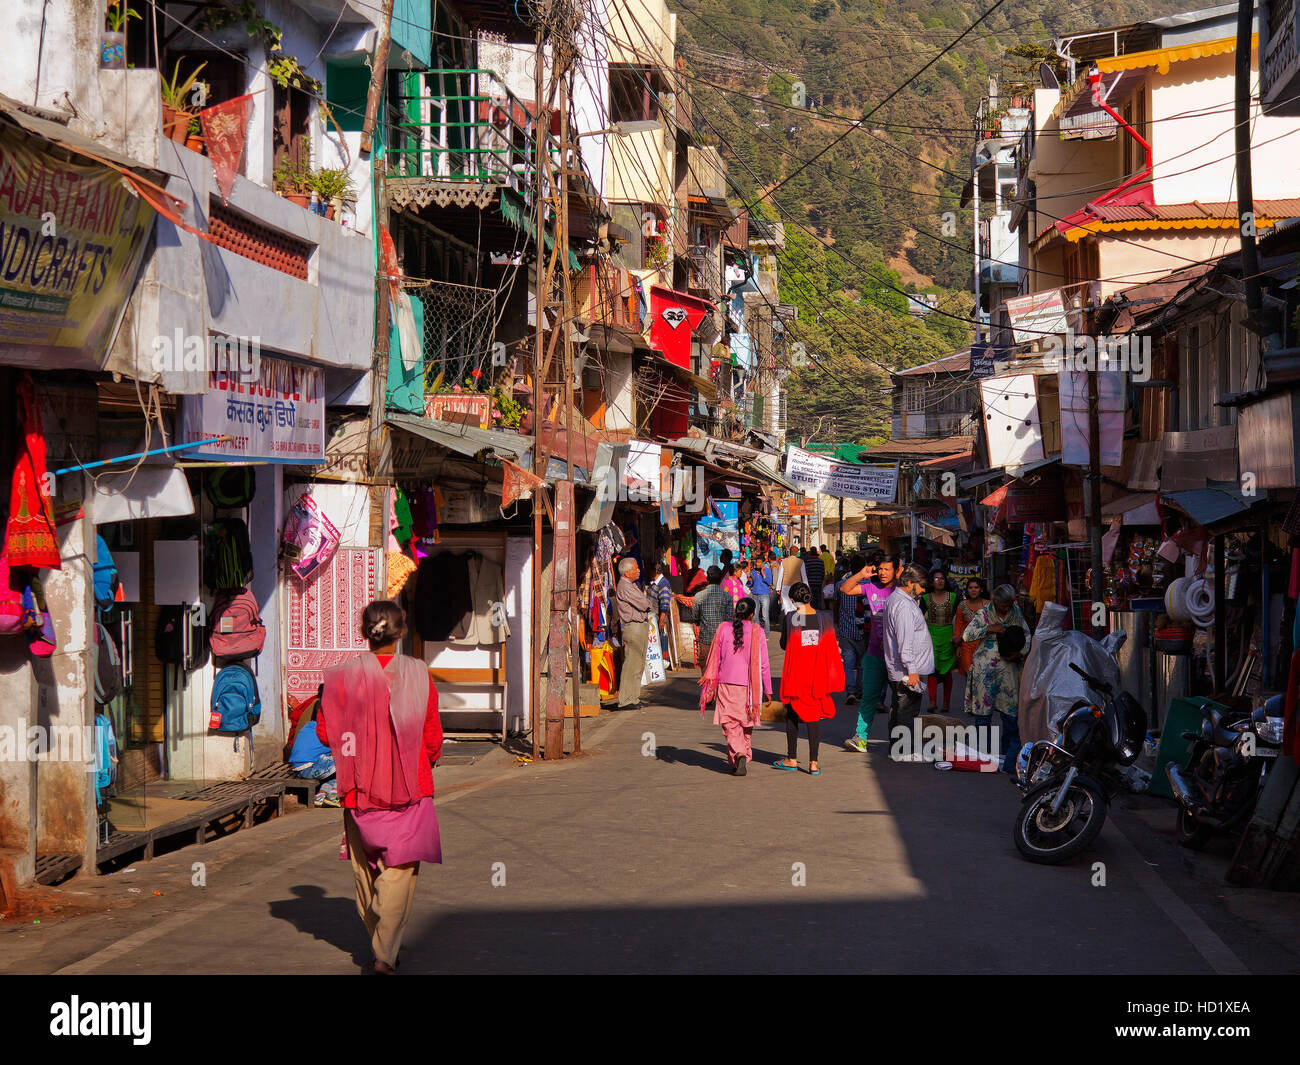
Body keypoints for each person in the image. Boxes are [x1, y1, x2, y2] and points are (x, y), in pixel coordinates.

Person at [316, 601, 443, 975]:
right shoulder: (419, 674)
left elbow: (327, 733)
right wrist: (421, 759)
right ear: (401, 632)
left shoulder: (341, 678)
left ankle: (381, 937)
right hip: (410, 788)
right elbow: (432, 735)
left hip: (359, 791)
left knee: (364, 872)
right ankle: (385, 952)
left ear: (363, 631)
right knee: (399, 874)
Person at [773, 583, 843, 774]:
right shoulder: (824, 618)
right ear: (809, 597)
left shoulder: (791, 618)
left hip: (797, 675)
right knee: (813, 717)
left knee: (792, 714)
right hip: (817, 674)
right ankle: (813, 763)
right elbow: (829, 647)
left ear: (793, 600)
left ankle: (792, 758)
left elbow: (784, 644)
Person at [699, 597, 772, 775]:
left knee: (730, 724)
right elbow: (764, 664)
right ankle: (742, 755)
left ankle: (739, 755)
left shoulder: (723, 628)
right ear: (753, 614)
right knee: (745, 723)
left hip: (726, 684)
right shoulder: (758, 631)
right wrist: (768, 689)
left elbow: (715, 658)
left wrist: (709, 685)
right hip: (749, 687)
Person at [962, 584, 1030, 773]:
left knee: (1011, 716)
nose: (1006, 608)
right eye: (1003, 605)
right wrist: (989, 628)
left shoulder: (1016, 612)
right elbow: (967, 635)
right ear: (995, 601)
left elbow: (1027, 635)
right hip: (985, 671)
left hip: (1010, 670)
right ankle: (983, 758)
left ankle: (1007, 759)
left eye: (1009, 604)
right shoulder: (984, 613)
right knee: (983, 715)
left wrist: (1020, 653)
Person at [841, 552, 898, 752]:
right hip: (874, 653)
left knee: (900, 701)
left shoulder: (901, 591)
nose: (882, 573)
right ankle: (861, 737)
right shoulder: (871, 587)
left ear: (896, 570)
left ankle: (899, 742)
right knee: (869, 697)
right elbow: (845, 589)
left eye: (887, 569)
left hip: (898, 657)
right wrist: (860, 574)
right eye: (880, 569)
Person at [881, 563, 935, 747]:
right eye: (921, 586)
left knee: (900, 709)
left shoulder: (899, 599)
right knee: (906, 711)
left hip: (904, 667)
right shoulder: (903, 605)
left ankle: (897, 748)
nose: (923, 591)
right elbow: (905, 642)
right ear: (910, 582)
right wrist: (912, 671)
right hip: (908, 670)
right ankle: (901, 750)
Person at [675, 566, 734, 668]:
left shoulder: (699, 596)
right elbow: (730, 619)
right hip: (722, 640)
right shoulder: (727, 596)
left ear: (707, 579)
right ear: (720, 579)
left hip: (705, 640)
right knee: (720, 670)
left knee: (706, 672)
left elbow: (695, 617)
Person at [920, 570, 959, 713]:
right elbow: (918, 619)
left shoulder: (954, 597)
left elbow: (960, 619)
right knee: (931, 670)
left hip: (948, 637)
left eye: (942, 578)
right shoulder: (925, 598)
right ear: (931, 582)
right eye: (936, 578)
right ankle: (932, 702)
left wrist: (958, 637)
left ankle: (946, 703)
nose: (940, 581)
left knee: (947, 671)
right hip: (931, 637)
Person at [615, 556, 651, 709]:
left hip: (639, 626)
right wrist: (647, 603)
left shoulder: (631, 585)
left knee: (638, 664)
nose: (638, 570)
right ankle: (626, 700)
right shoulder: (625, 586)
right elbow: (644, 604)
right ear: (627, 572)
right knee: (632, 664)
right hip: (634, 627)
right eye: (635, 568)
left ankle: (633, 697)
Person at [835, 553, 869, 706]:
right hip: (863, 631)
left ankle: (851, 691)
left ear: (850, 567)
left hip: (846, 628)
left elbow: (835, 605)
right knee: (862, 663)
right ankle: (860, 691)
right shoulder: (869, 586)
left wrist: (837, 620)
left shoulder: (841, 585)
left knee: (848, 661)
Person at [954, 576, 989, 679]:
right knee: (970, 676)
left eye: (976, 587)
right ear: (967, 590)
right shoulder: (962, 605)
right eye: (970, 587)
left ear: (981, 589)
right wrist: (958, 646)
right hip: (967, 647)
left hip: (985, 645)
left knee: (983, 677)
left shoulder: (988, 605)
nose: (973, 590)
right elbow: (958, 626)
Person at [648, 557, 673, 669]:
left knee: (661, 638)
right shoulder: (654, 583)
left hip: (659, 618)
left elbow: (665, 602)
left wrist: (662, 619)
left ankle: (664, 661)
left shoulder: (663, 583)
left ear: (656, 571)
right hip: (654, 618)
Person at [776, 549, 809, 616]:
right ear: (797, 553)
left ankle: (788, 620)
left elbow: (780, 575)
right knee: (797, 605)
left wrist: (778, 588)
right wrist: (807, 587)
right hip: (797, 587)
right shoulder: (801, 562)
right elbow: (804, 576)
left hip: (785, 586)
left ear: (789, 552)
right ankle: (798, 623)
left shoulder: (784, 561)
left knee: (786, 606)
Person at [749, 553, 774, 634]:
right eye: (757, 562)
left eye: (760, 562)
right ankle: (757, 633)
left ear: (763, 562)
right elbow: (751, 583)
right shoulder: (753, 571)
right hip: (755, 594)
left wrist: (763, 574)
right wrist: (749, 581)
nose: (758, 564)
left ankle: (766, 633)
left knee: (765, 615)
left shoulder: (767, 570)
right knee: (755, 615)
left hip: (764, 594)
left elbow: (769, 582)